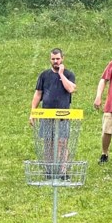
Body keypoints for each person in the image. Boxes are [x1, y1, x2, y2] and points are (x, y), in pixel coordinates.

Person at [29, 48, 77, 178]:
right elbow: (38, 94)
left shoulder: (69, 74)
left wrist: (61, 74)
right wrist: (33, 112)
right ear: (50, 59)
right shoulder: (44, 75)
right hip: (47, 114)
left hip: (63, 115)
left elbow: (71, 89)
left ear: (62, 59)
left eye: (58, 59)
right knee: (48, 143)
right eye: (53, 59)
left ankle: (62, 171)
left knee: (62, 142)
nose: (55, 61)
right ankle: (49, 170)